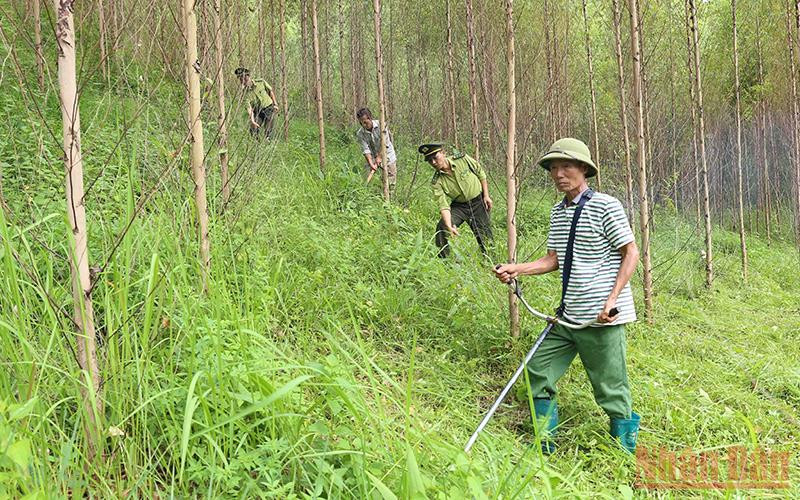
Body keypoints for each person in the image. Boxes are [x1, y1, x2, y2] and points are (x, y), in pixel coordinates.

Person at [493, 137, 641, 454]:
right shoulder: (558, 212)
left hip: (601, 319)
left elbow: (631, 252)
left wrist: (612, 299)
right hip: (568, 316)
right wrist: (516, 268)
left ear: (584, 169)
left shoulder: (606, 206)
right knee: (538, 369)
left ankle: (623, 452)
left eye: (567, 166)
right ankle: (544, 442)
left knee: (610, 388)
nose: (559, 174)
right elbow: (553, 259)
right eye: (554, 168)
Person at [418, 143, 493, 258]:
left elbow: (480, 173)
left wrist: (486, 196)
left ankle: (490, 262)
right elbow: (443, 205)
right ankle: (444, 260)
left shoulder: (462, 159)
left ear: (443, 153)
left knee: (485, 237)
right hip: (460, 206)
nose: (433, 162)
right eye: (429, 160)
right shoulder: (436, 181)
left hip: (478, 201)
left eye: (435, 157)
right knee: (442, 226)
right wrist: (449, 226)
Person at [355, 108, 397, 191]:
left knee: (390, 180)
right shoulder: (360, 133)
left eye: (365, 122)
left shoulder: (382, 125)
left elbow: (385, 143)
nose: (363, 125)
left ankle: (390, 199)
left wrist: (379, 157)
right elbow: (366, 150)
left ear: (370, 118)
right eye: (361, 123)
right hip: (373, 157)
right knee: (368, 176)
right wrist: (371, 163)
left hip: (388, 155)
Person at [235, 67, 277, 139]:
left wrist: (275, 104)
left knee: (268, 130)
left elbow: (270, 91)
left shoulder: (261, 82)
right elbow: (249, 107)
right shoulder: (245, 93)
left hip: (269, 108)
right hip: (258, 111)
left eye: (245, 78)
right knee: (253, 130)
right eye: (241, 80)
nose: (244, 81)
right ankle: (256, 145)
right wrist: (252, 120)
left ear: (249, 77)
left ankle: (268, 142)